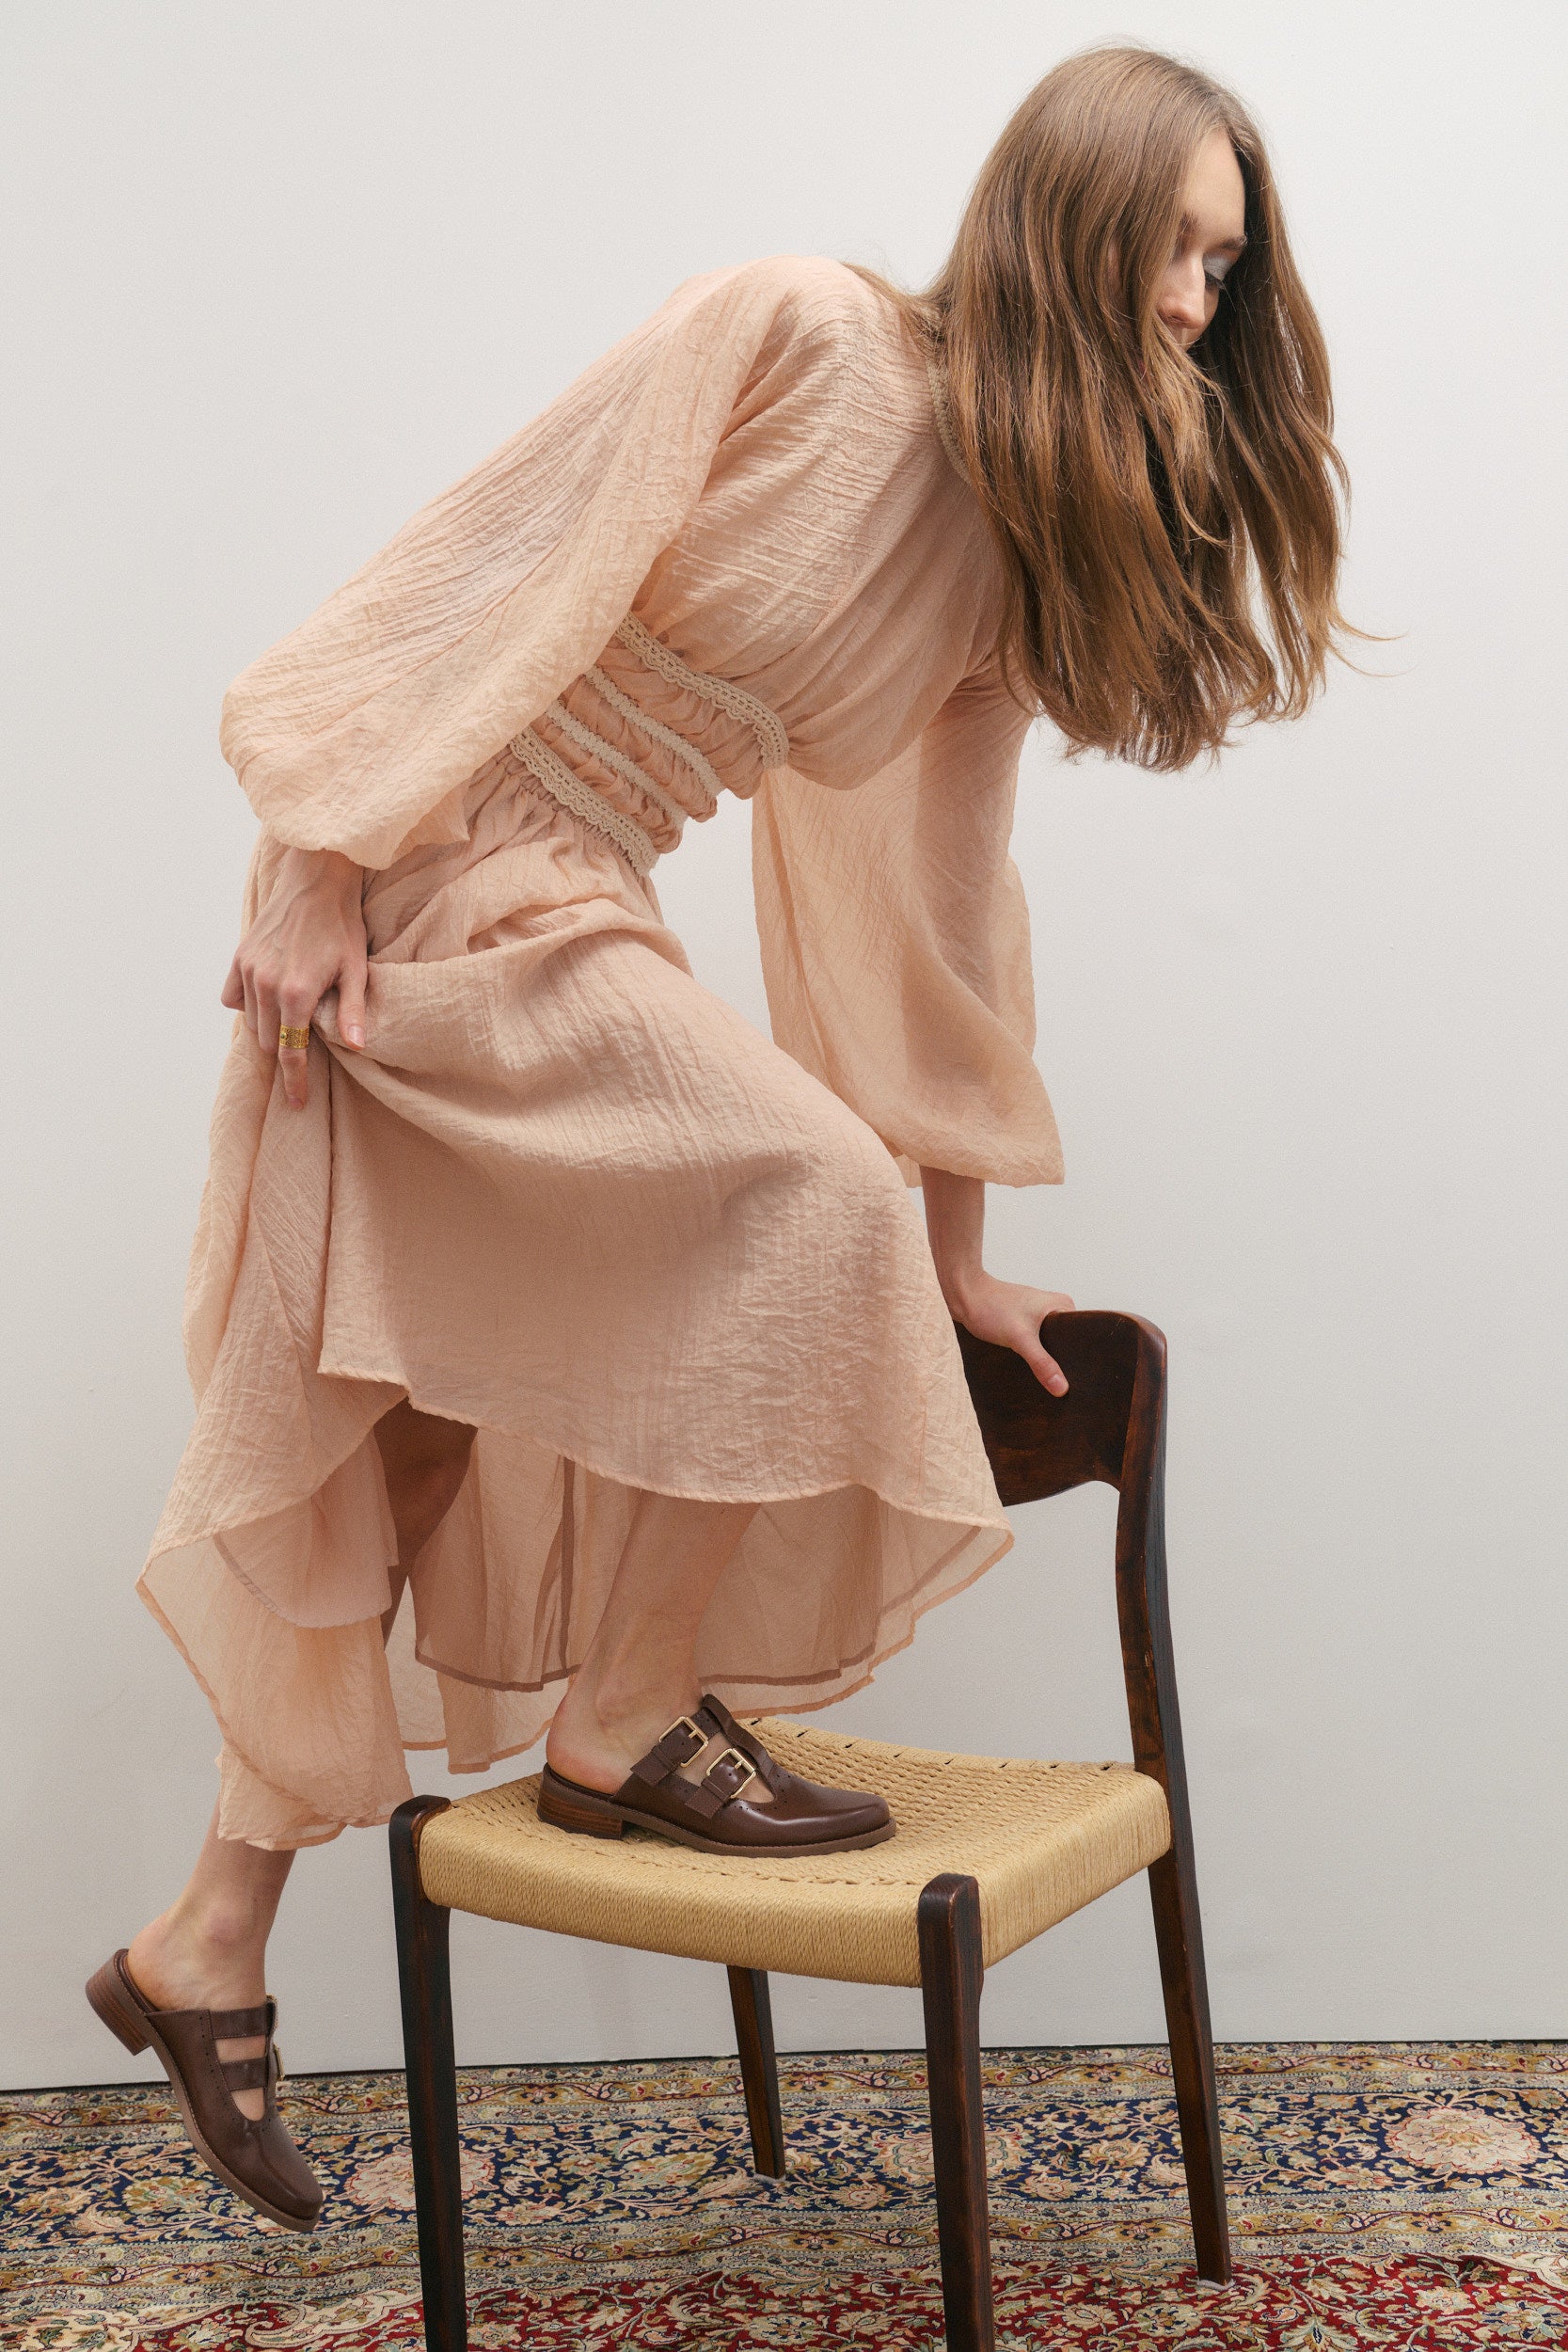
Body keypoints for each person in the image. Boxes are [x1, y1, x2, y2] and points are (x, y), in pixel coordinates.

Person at [87, 43, 1349, 2232]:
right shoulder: (800, 329)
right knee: (785, 1203)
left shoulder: (1004, 571)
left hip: (582, 901)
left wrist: (948, 1240)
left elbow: (933, 905)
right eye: (1176, 246)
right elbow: (493, 549)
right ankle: (626, 1722)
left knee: (404, 1427)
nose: (1196, 306)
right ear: (1066, 219)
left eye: (1228, 274)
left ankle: (203, 1944)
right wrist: (314, 844)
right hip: (442, 868)